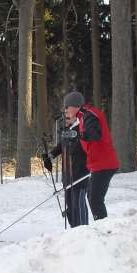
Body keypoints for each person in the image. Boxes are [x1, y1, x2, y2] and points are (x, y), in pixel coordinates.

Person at [67, 91, 120, 220]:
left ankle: (103, 226)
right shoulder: (84, 116)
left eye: (67, 107)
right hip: (99, 164)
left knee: (95, 199)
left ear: (75, 106)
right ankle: (101, 225)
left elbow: (95, 134)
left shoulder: (89, 115)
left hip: (104, 164)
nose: (66, 110)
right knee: (92, 195)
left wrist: (79, 135)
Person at [42, 96, 90, 227]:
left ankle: (84, 231)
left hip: (80, 176)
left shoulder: (83, 129)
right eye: (65, 113)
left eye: (68, 112)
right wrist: (50, 156)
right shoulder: (68, 130)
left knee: (78, 205)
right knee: (71, 207)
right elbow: (62, 146)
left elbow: (82, 148)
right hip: (68, 176)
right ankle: (74, 232)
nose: (65, 116)